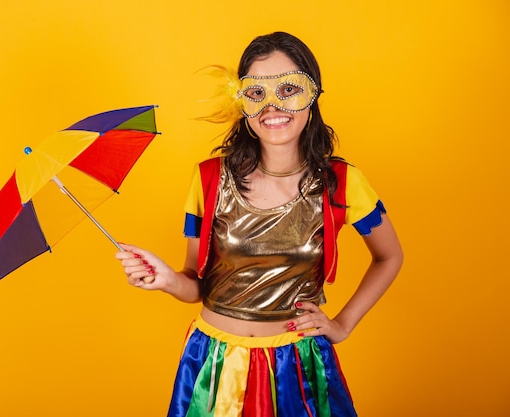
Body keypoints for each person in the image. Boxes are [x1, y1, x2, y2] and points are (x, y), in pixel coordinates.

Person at [115, 31, 403, 417]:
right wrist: (167, 279)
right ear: (243, 103)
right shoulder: (208, 179)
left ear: (313, 96)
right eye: (257, 93)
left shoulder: (343, 182)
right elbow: (196, 285)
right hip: (216, 365)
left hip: (299, 368)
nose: (273, 105)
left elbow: (389, 257)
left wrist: (342, 325)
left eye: (288, 89)